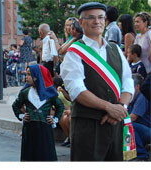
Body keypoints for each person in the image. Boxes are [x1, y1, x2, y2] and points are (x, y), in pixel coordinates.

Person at [60, 2, 134, 161]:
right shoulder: (74, 52)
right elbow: (77, 91)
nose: (97, 21)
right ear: (81, 22)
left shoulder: (115, 50)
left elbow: (128, 83)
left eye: (101, 17)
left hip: (116, 124)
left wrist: (121, 108)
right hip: (88, 126)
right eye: (91, 18)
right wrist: (109, 107)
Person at [12, 64, 64, 161]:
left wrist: (55, 119)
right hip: (30, 129)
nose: (26, 77)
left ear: (37, 76)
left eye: (29, 75)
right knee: (30, 154)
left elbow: (60, 106)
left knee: (45, 153)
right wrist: (21, 116)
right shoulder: (25, 92)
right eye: (26, 74)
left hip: (45, 129)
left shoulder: (49, 93)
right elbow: (15, 105)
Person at [127, 74, 150, 161]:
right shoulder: (131, 97)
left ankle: (141, 156)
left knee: (129, 125)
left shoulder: (142, 96)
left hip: (148, 129)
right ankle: (130, 153)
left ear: (137, 86)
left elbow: (133, 117)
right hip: (141, 129)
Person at [53, 77, 72, 147]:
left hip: (69, 109)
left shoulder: (64, 91)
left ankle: (71, 139)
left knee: (68, 118)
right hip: (63, 111)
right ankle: (69, 138)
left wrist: (63, 91)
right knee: (61, 118)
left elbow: (70, 100)